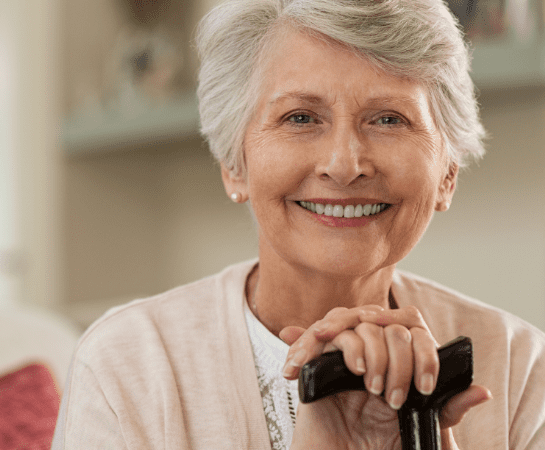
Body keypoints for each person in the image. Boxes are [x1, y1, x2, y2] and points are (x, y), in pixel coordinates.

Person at [52, 0, 545, 448]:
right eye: (301, 118)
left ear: (448, 175)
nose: (345, 163)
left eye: (390, 119)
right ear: (234, 164)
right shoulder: (128, 362)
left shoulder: (518, 366)